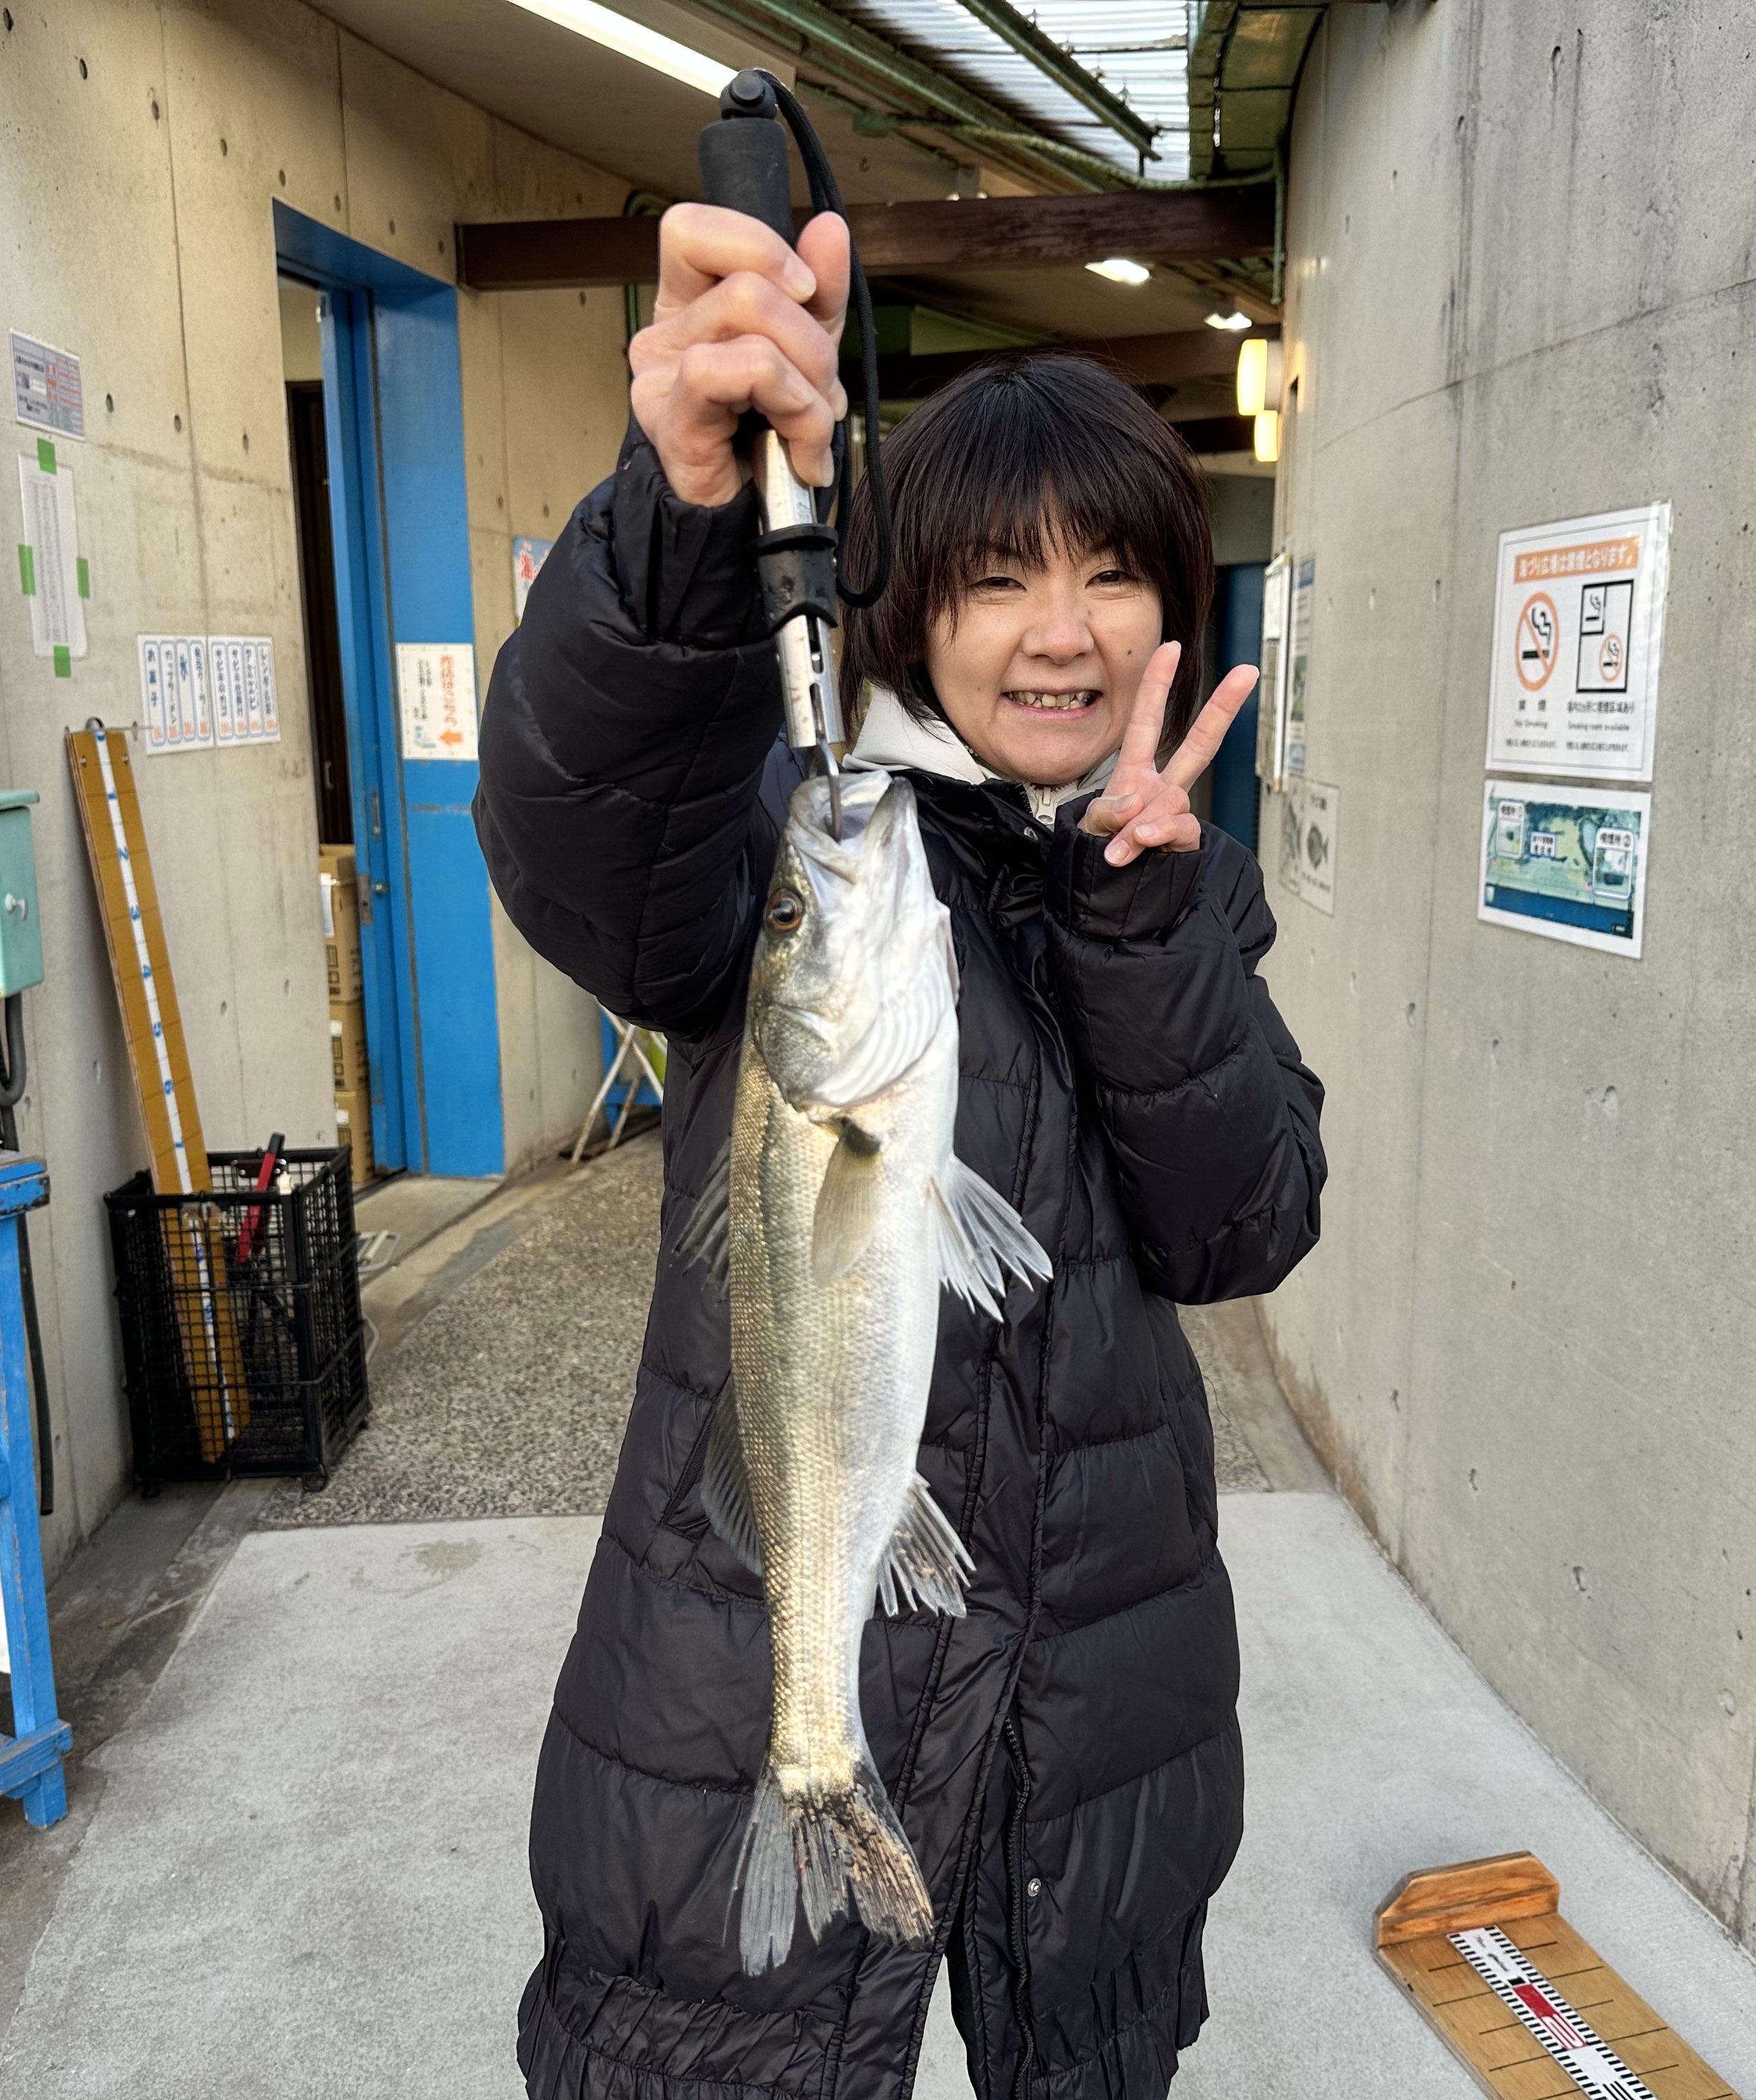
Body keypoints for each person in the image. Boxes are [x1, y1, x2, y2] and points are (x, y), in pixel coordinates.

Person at [475, 198, 1326, 2100]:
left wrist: (1143, 929)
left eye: (1112, 575)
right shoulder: (799, 835)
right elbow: (580, 822)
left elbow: (1244, 1227)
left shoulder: (1187, 890)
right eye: (996, 578)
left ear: (1174, 612)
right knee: (713, 2055)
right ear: (910, 609)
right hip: (746, 1665)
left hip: (1098, 1695)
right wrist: (679, 535)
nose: (1059, 631)